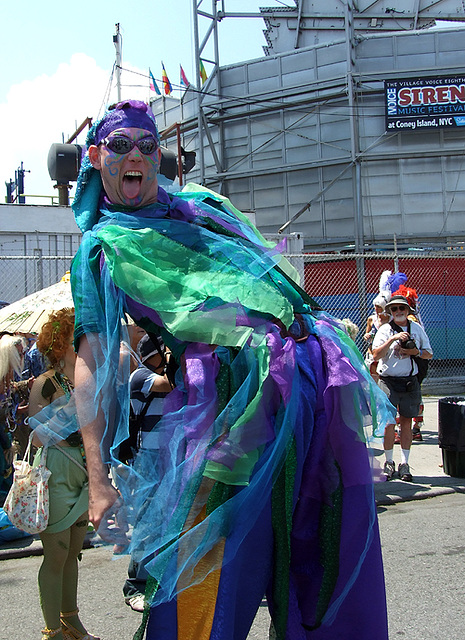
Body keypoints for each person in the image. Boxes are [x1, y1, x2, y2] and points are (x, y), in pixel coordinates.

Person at [66, 99, 393, 639]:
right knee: (205, 588)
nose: (137, 158)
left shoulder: (203, 208)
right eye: (121, 145)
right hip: (223, 417)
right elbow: (94, 359)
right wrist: (98, 478)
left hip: (311, 384)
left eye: (148, 147)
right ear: (97, 156)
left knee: (327, 562)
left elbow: (272, 278)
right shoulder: (102, 249)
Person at [29, 309, 99, 640]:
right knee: (55, 554)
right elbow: (37, 436)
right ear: (62, 341)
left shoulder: (86, 379)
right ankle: (52, 631)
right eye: (79, 335)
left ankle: (71, 621)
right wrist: (71, 408)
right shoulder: (44, 384)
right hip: (56, 470)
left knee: (74, 552)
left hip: (82, 471)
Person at [122, 334, 172, 613]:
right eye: (163, 352)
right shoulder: (141, 376)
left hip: (168, 457)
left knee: (164, 520)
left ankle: (157, 579)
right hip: (148, 459)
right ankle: (135, 585)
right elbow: (169, 384)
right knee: (146, 521)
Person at [372, 294, 433, 482]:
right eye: (394, 309)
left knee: (406, 422)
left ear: (408, 311)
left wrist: (415, 352)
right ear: (390, 311)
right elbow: (375, 355)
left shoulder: (417, 329)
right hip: (389, 381)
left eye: (402, 308)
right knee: (389, 423)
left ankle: (404, 463)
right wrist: (392, 340)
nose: (398, 311)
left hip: (409, 381)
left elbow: (428, 354)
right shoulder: (384, 330)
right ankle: (389, 461)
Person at [364, 296, 391, 382]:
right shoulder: (372, 319)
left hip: (384, 353)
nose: (376, 308)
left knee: (382, 378)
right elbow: (366, 334)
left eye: (379, 306)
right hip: (371, 352)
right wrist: (367, 336)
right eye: (375, 306)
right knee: (371, 377)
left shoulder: (390, 320)